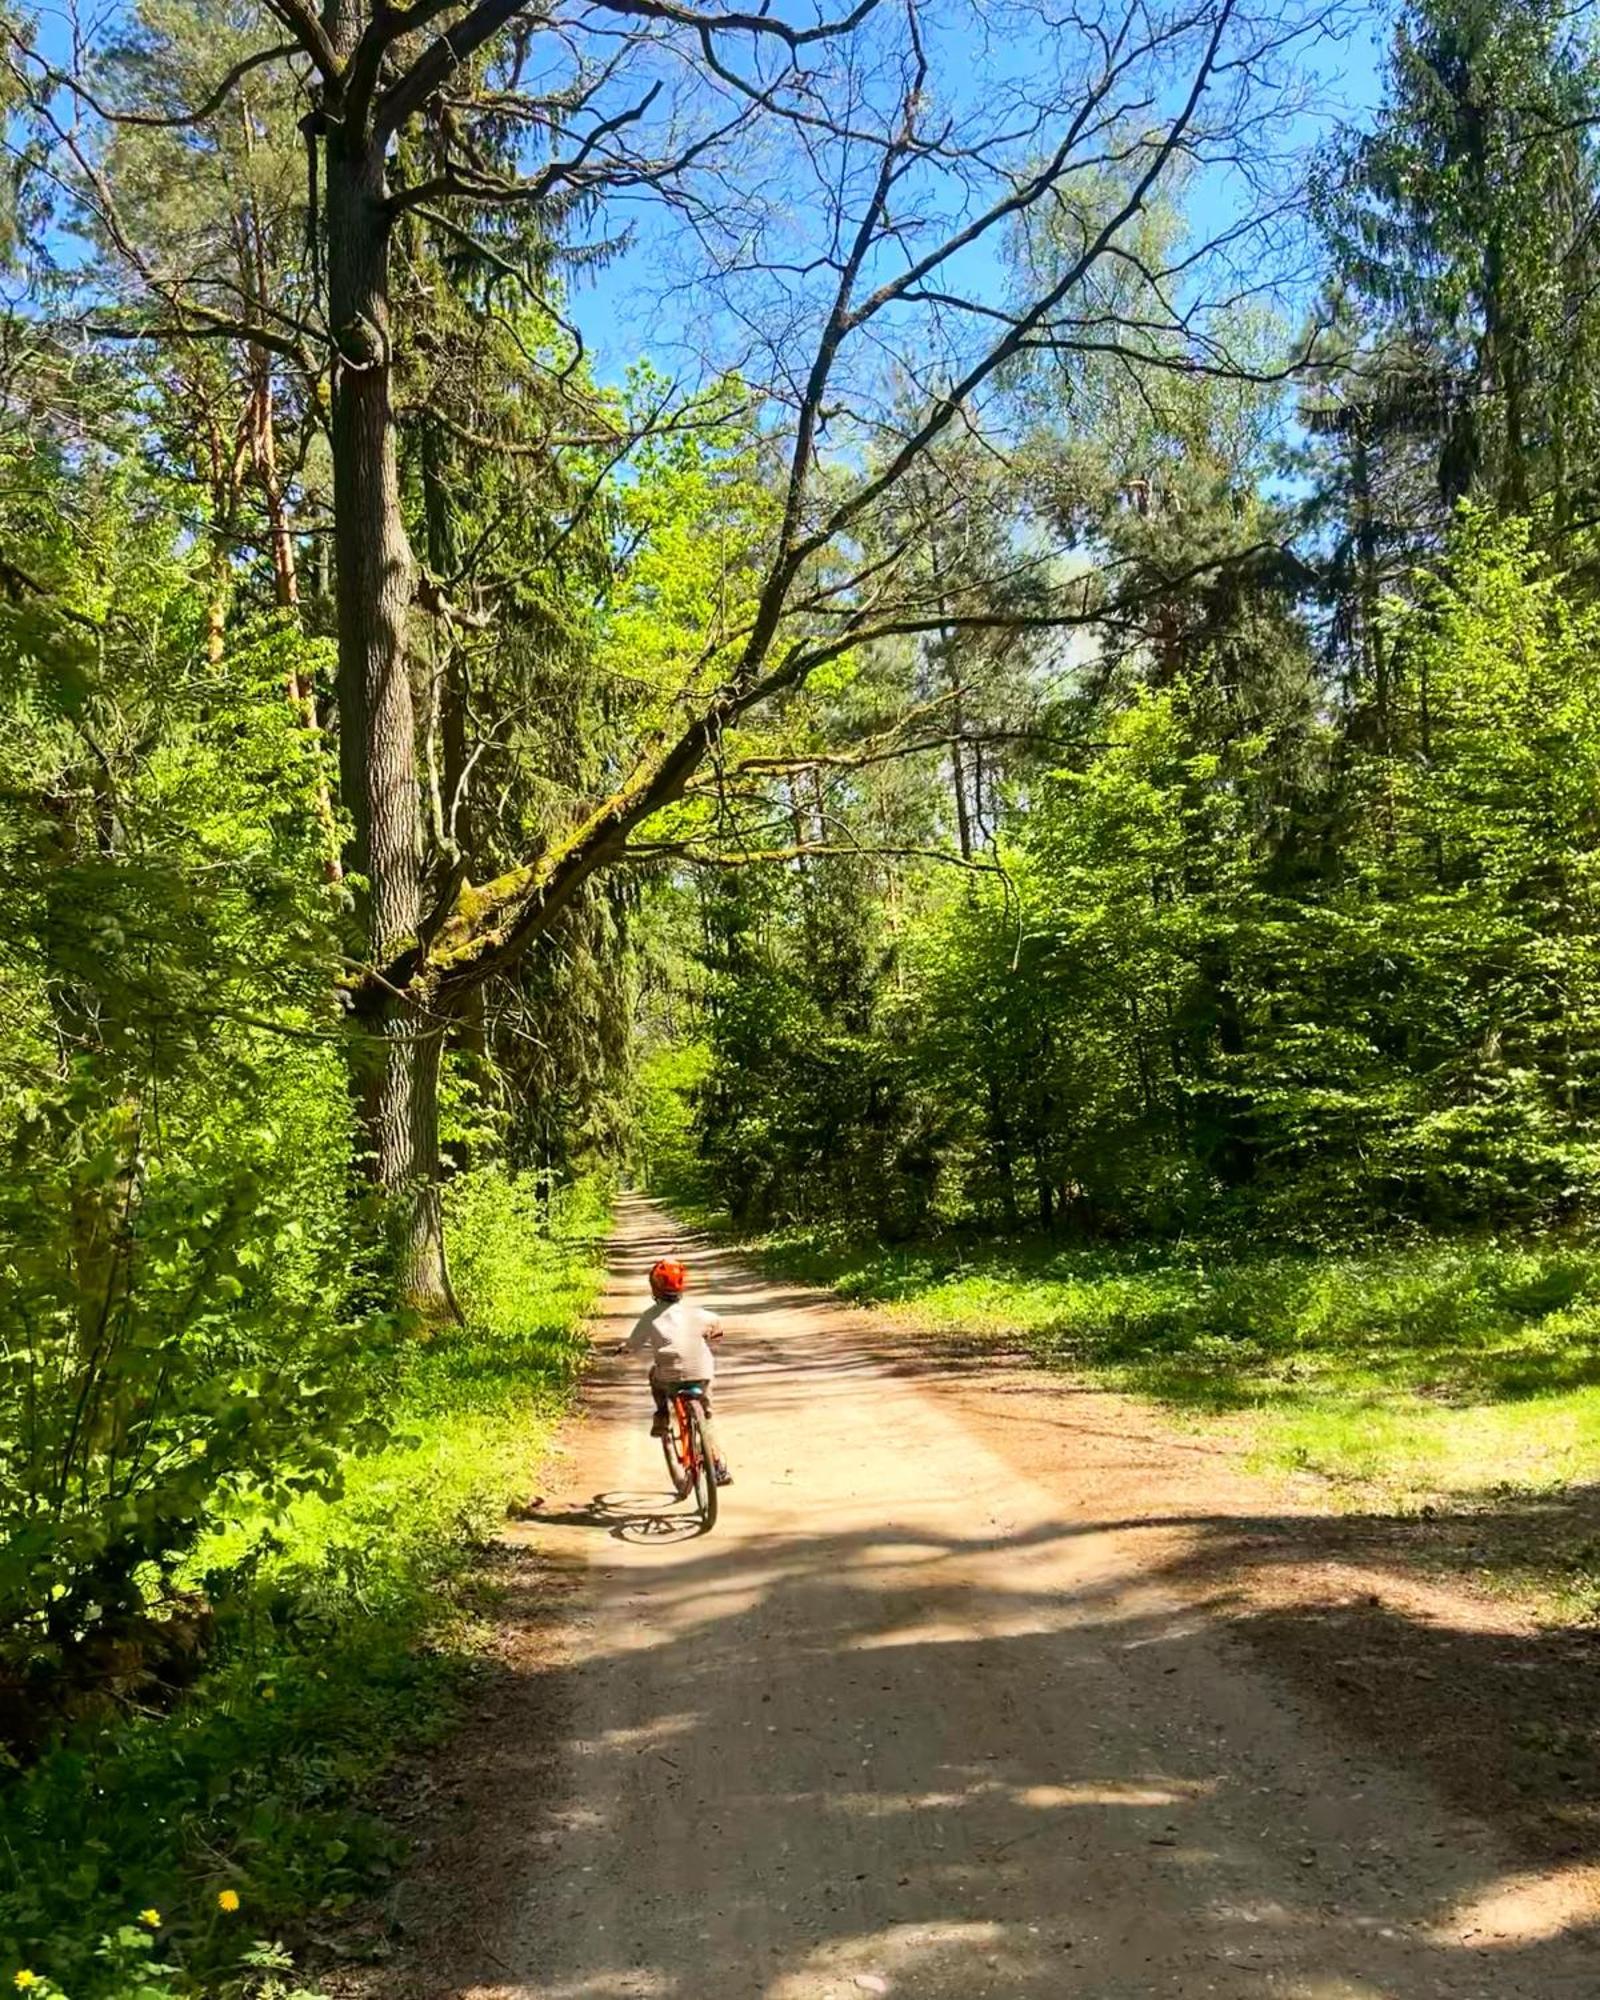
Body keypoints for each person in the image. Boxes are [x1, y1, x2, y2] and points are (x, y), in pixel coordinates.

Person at [619, 1257, 732, 1486]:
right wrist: (714, 1333)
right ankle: (718, 1466)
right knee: (707, 1417)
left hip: (669, 1377)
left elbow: (634, 1343)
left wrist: (625, 1349)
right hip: (701, 1374)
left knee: (654, 1376)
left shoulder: (650, 1316)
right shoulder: (696, 1314)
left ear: (654, 1287)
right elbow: (716, 1323)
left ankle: (661, 1415)